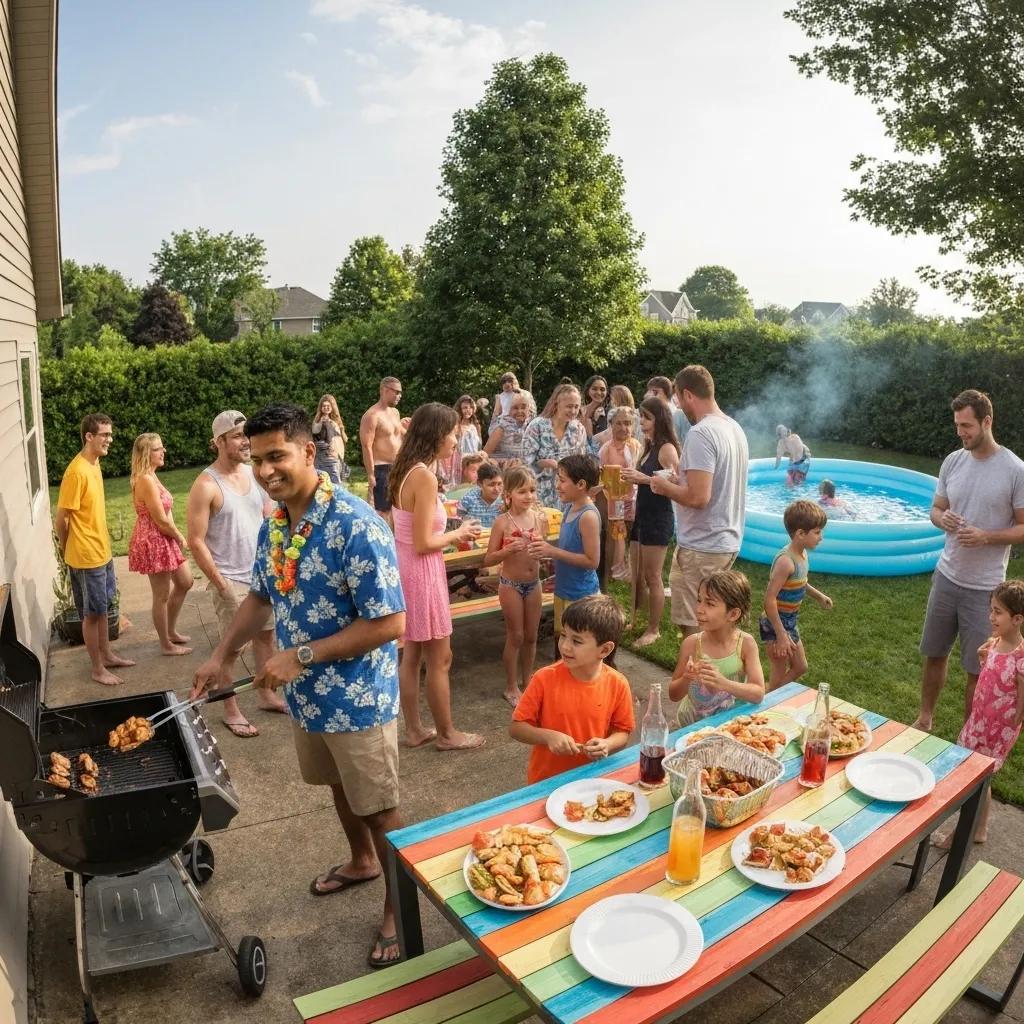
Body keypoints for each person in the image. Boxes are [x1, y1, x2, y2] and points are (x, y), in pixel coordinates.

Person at [191, 403, 407, 968]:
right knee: (337, 786)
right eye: (257, 458)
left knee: (379, 805)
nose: (265, 470)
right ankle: (361, 861)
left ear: (310, 451)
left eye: (277, 456)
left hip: (358, 699)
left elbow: (390, 622)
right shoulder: (277, 522)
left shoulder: (357, 525)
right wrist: (220, 655)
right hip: (310, 699)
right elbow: (261, 595)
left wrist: (300, 655)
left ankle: (399, 904)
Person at [913, 389, 1024, 731]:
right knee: (935, 652)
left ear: (986, 421)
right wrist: (939, 518)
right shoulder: (953, 461)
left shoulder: (1014, 470)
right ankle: (925, 717)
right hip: (947, 575)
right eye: (958, 425)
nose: (961, 432)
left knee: (978, 669)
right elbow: (936, 508)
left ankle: (968, 739)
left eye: (967, 426)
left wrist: (986, 536)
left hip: (985, 589)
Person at [389, 402, 486, 751]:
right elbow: (424, 542)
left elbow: (402, 529)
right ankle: (447, 734)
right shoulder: (424, 476)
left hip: (406, 568)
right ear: (435, 435)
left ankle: (414, 730)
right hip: (421, 571)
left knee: (412, 655)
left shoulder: (405, 469)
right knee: (439, 659)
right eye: (451, 433)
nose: (456, 440)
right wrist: (459, 534)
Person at [187, 410, 288, 737]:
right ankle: (230, 710)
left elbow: (268, 518)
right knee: (230, 650)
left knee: (265, 637)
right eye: (237, 436)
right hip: (230, 580)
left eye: (246, 435)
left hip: (262, 576)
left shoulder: (253, 473)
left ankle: (265, 693)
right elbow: (196, 542)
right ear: (219, 442)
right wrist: (220, 585)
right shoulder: (206, 485)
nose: (245, 441)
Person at [651, 366, 749, 638]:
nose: (679, 408)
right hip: (725, 541)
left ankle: (699, 682)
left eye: (679, 401)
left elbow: (699, 497)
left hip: (701, 547)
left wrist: (663, 485)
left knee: (697, 629)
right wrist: (679, 480)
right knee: (718, 627)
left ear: (688, 394)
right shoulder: (734, 428)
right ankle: (716, 679)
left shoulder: (701, 433)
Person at [509, 594, 635, 783]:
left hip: (592, 778)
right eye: (563, 636)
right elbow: (517, 728)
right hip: (546, 782)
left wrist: (607, 744)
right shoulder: (544, 678)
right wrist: (548, 737)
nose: (565, 646)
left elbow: (622, 733)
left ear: (604, 650)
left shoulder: (618, 683)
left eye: (576, 641)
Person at [936, 580, 1024, 848]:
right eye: (991, 609)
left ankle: (960, 833)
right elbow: (991, 675)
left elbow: (1021, 705)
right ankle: (980, 828)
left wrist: (1011, 724)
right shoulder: (995, 642)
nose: (991, 616)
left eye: (998, 612)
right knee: (979, 778)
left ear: (1017, 618)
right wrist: (984, 656)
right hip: (979, 721)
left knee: (975, 776)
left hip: (998, 730)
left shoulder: (1021, 658)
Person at [54, 413, 136, 686]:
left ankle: (108, 654)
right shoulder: (76, 472)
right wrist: (70, 550)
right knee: (92, 614)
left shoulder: (94, 463)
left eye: (110, 435)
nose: (110, 440)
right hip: (85, 556)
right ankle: (97, 669)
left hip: (102, 552)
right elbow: (61, 519)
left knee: (103, 609)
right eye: (105, 435)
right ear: (89, 436)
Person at [483, 466, 548, 707]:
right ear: (508, 494)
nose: (529, 496)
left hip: (534, 584)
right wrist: (506, 550)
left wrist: (540, 545)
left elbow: (546, 551)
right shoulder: (502, 522)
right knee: (516, 636)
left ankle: (527, 681)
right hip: (510, 584)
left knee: (531, 637)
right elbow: (488, 559)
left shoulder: (539, 518)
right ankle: (511, 687)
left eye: (532, 490)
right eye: (522, 491)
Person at [127, 433, 193, 657]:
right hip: (154, 539)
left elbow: (167, 511)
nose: (163, 451)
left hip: (163, 537)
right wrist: (179, 537)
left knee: (185, 581)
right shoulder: (145, 479)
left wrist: (175, 536)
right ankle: (166, 644)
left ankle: (171, 631)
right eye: (158, 449)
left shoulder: (152, 476)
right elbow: (160, 519)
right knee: (161, 595)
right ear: (147, 453)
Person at [669, 570, 765, 725]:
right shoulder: (692, 644)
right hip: (689, 726)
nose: (699, 609)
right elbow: (673, 695)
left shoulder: (746, 644)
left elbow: (758, 693)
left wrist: (723, 683)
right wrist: (687, 678)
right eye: (699, 600)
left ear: (733, 614)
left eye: (710, 604)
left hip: (728, 726)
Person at [621, 398, 680, 647]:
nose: (641, 422)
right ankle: (635, 620)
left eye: (646, 417)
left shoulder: (667, 449)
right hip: (642, 514)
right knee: (637, 573)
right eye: (641, 417)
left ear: (659, 419)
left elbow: (675, 485)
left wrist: (641, 479)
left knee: (653, 576)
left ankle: (653, 629)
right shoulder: (648, 446)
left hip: (658, 517)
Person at [759, 500, 833, 690]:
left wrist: (818, 595)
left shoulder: (802, 554)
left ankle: (768, 695)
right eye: (817, 532)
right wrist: (781, 635)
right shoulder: (786, 561)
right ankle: (769, 702)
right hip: (776, 624)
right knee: (779, 670)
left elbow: (800, 582)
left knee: (800, 666)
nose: (821, 537)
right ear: (800, 533)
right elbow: (769, 599)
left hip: (789, 621)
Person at [528, 453, 601, 639]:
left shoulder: (588, 516)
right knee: (561, 644)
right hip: (563, 590)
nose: (557, 486)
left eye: (562, 480)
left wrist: (552, 551)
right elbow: (568, 545)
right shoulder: (570, 507)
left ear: (581, 485)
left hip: (581, 595)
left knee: (576, 647)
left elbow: (592, 561)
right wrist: (543, 546)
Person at [522, 383, 588, 510]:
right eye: (569, 406)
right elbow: (525, 463)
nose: (573, 411)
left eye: (576, 407)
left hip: (568, 497)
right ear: (556, 404)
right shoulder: (537, 426)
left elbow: (581, 463)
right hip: (539, 494)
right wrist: (545, 463)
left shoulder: (579, 429)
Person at [598, 406, 642, 581]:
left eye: (628, 423)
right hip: (614, 498)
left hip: (634, 497)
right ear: (611, 425)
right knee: (616, 534)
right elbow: (601, 476)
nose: (624, 428)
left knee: (631, 534)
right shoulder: (606, 449)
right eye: (619, 424)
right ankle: (613, 571)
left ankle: (628, 569)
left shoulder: (637, 445)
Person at [360, 377, 406, 514]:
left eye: (400, 393)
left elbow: (399, 434)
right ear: (385, 390)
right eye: (396, 392)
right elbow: (366, 446)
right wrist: (370, 474)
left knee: (399, 509)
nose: (399, 396)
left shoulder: (395, 413)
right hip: (382, 468)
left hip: (399, 466)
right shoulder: (372, 415)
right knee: (383, 512)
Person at [484, 392, 531, 466]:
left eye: (523, 407)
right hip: (504, 471)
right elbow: (485, 455)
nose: (519, 411)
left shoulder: (531, 427)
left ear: (529, 409)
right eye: (515, 408)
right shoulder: (502, 428)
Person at [312, 394, 348, 485]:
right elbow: (315, 431)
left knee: (337, 483)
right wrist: (321, 422)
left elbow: (344, 439)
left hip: (338, 455)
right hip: (326, 457)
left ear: (332, 407)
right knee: (329, 482)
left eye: (328, 406)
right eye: (324, 406)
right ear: (321, 408)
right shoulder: (320, 421)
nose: (326, 408)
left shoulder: (336, 422)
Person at [456, 461, 503, 527]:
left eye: (499, 484)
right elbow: (459, 521)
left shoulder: (505, 500)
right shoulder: (468, 499)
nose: (497, 489)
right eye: (491, 485)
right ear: (480, 484)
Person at [646, 375, 689, 444]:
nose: (648, 396)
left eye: (654, 392)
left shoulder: (679, 415)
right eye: (648, 392)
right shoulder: (650, 415)